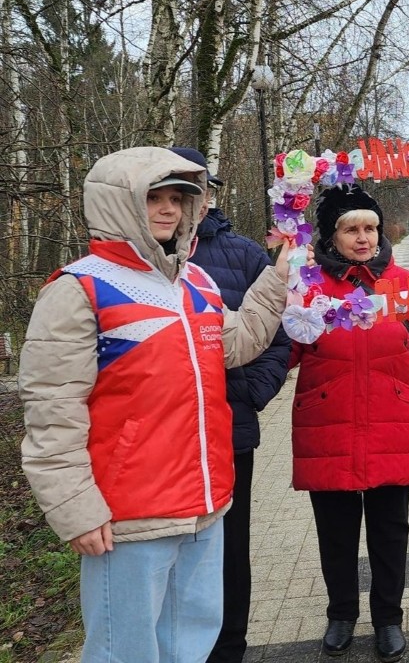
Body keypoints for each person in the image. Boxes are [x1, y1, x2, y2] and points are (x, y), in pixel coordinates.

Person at [19, 147, 301, 662]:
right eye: (154, 197)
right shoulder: (80, 288)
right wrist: (75, 508)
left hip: (205, 505)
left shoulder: (196, 283)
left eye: (178, 199)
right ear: (118, 203)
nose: (169, 209)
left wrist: (278, 277)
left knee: (190, 643)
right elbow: (51, 409)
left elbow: (237, 345)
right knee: (124, 651)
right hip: (129, 514)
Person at [288, 184, 409, 662]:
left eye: (371, 228)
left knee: (389, 531)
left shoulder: (403, 284)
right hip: (329, 424)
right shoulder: (308, 287)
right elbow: (286, 350)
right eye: (352, 229)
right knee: (334, 532)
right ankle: (341, 613)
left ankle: (388, 619)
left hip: (391, 424)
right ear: (332, 235)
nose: (363, 238)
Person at [171, 147, 293, 663]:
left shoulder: (243, 255)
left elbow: (278, 332)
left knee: (228, 547)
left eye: (196, 191)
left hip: (228, 427)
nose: (183, 204)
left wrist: (249, 392)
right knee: (167, 552)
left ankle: (230, 647)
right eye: (172, 192)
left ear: (208, 198)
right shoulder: (132, 261)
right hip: (160, 438)